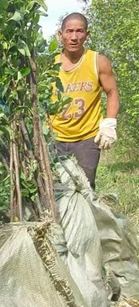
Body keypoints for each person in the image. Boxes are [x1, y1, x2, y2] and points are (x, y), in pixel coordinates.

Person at [48, 12, 119, 188]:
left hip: (87, 138)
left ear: (87, 34)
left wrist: (109, 124)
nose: (74, 37)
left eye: (79, 31)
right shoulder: (50, 65)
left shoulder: (98, 61)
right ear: (60, 34)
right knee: (55, 188)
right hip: (55, 137)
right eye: (69, 31)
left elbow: (112, 92)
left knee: (85, 187)